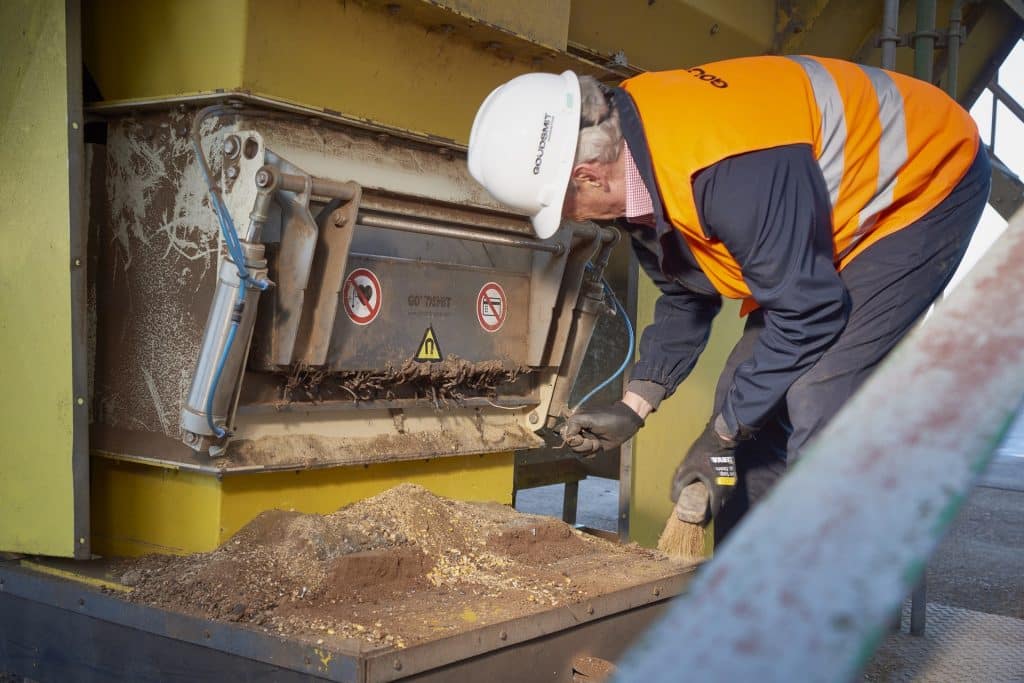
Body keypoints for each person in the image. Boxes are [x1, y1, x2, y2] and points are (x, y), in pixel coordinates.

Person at [467, 56, 990, 541]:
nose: (574, 220)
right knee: (744, 395)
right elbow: (684, 293)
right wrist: (635, 405)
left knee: (815, 396)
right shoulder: (632, 153)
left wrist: (720, 437)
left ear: (587, 175)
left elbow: (809, 312)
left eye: (566, 209)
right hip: (822, 210)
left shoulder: (728, 171)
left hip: (925, 181)